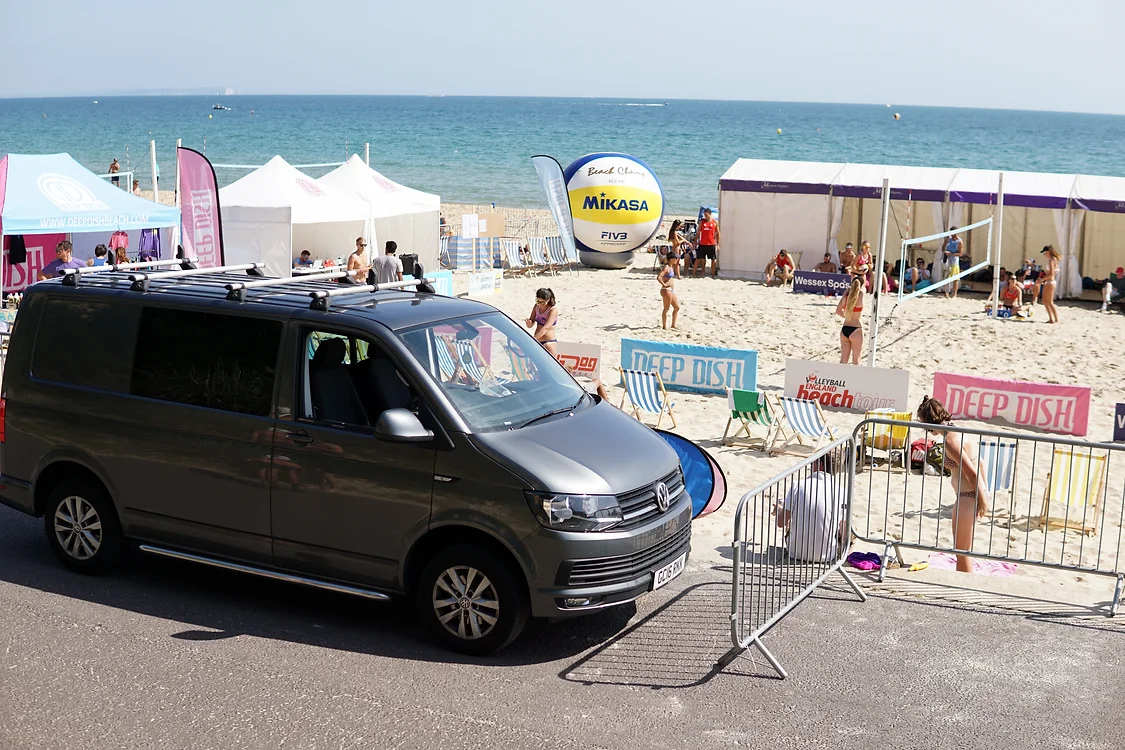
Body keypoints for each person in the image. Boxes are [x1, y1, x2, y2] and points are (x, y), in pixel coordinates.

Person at [916, 396, 991, 573]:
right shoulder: (957, 430)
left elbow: (971, 473)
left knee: (961, 551)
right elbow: (980, 462)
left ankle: (964, 590)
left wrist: (983, 500)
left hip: (968, 495)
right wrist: (984, 491)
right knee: (963, 550)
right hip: (970, 494)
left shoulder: (951, 441)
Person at [775, 454, 846, 562]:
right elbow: (844, 531)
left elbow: (781, 523)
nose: (811, 467)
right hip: (826, 556)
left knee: (791, 518)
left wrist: (780, 510)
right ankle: (843, 556)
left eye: (812, 464)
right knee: (850, 529)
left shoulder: (798, 485)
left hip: (796, 552)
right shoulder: (841, 491)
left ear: (820, 465)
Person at [835, 276, 864, 365]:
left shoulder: (846, 296)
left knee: (843, 361)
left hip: (845, 329)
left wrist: (848, 316)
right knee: (856, 360)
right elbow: (862, 290)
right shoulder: (861, 295)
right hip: (856, 329)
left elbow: (838, 311)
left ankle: (840, 378)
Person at [525, 288, 559, 356]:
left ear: (548, 300)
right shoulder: (536, 306)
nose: (540, 304)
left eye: (542, 302)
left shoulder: (552, 310)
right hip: (537, 341)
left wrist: (533, 339)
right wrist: (529, 323)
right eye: (538, 301)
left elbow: (545, 328)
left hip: (548, 342)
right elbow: (531, 324)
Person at [692, 207, 719, 278]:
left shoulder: (715, 222)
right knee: (698, 259)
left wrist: (718, 244)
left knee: (713, 260)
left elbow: (718, 234)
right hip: (702, 244)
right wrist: (695, 242)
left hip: (711, 244)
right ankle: (693, 274)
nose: (705, 216)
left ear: (710, 214)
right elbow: (698, 233)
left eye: (706, 214)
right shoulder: (702, 222)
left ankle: (712, 275)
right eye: (704, 214)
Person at [1037, 245, 1061, 323]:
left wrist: (1042, 279)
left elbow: (1051, 273)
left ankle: (1053, 318)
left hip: (1050, 282)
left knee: (1047, 301)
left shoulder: (1051, 260)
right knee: (1047, 301)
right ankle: (1054, 318)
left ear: (1048, 252)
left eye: (1045, 253)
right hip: (1050, 282)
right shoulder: (1054, 260)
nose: (1044, 254)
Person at [942, 228, 964, 298]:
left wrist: (951, 254)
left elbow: (960, 254)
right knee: (946, 277)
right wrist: (945, 252)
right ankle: (946, 293)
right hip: (947, 261)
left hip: (954, 261)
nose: (951, 234)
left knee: (955, 278)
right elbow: (942, 248)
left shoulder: (959, 242)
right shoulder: (948, 240)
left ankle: (955, 294)